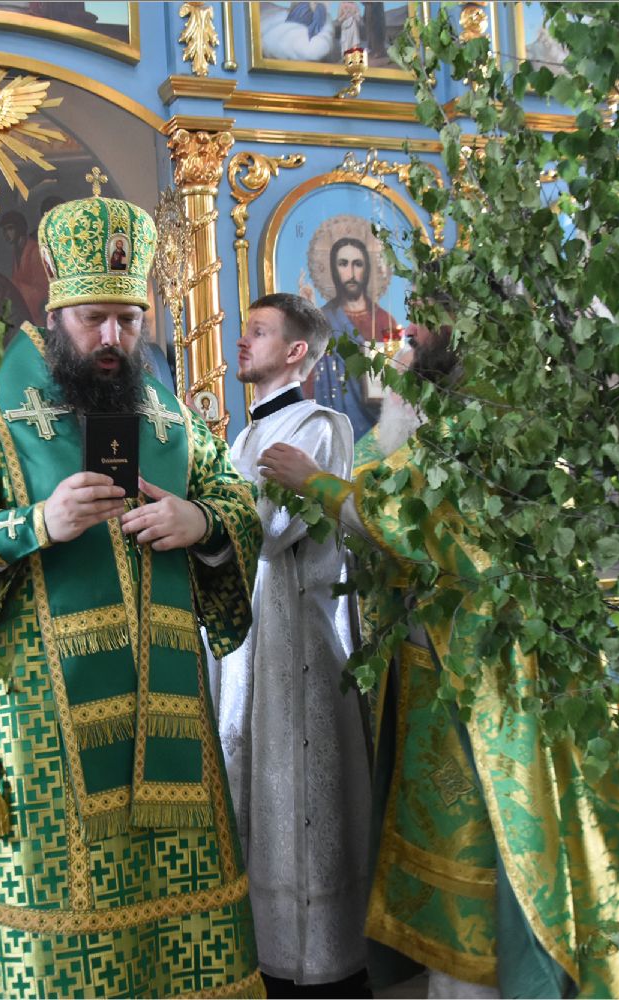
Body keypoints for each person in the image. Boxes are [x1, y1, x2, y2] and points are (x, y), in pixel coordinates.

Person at [0, 187, 266, 999]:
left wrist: (201, 521)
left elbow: (236, 502)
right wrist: (33, 523)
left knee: (173, 927)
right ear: (54, 312)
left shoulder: (169, 417)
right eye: (94, 318)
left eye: (129, 320)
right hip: (40, 727)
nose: (113, 339)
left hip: (168, 717)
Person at [258, 313, 619, 999]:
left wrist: (316, 481)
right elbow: (390, 485)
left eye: (420, 334)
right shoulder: (434, 424)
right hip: (438, 675)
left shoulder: (484, 427)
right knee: (445, 850)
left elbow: (423, 525)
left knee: (494, 849)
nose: (403, 342)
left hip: (489, 682)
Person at [212, 292, 371, 997]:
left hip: (298, 644)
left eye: (259, 332)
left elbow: (271, 533)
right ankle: (262, 959)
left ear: (297, 351)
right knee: (250, 786)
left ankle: (318, 968)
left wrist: (204, 514)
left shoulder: (320, 425)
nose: (242, 341)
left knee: (298, 797)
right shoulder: (241, 440)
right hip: (245, 645)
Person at [310, 236, 398, 441]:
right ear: (334, 270)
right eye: (343, 264)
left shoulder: (385, 321)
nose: (351, 273)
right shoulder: (323, 318)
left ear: (366, 270)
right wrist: (310, 322)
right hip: (334, 429)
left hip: (378, 430)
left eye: (357, 264)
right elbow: (307, 373)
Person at [0, 209, 50, 319]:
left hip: (39, 310)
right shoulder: (17, 251)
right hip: (22, 307)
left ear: (19, 228)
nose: (6, 234)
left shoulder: (35, 251)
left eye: (10, 228)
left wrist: (14, 285)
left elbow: (43, 291)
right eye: (4, 230)